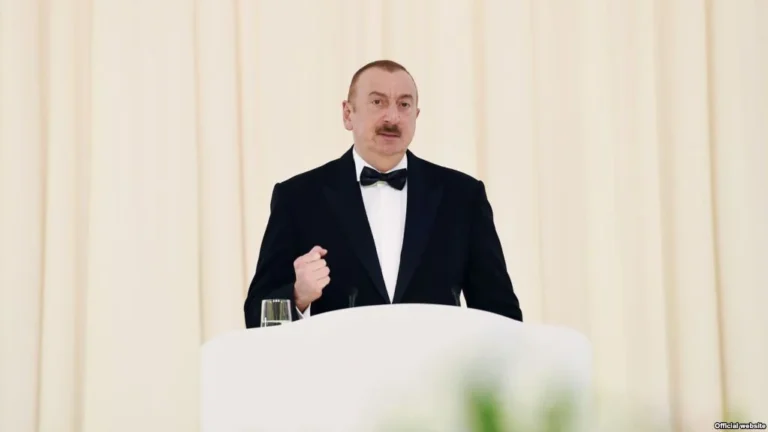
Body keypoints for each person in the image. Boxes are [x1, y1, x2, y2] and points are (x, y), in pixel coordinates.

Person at [243, 59, 523, 328]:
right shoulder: (298, 198)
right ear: (348, 114)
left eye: (404, 104)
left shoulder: (462, 197)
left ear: (416, 115)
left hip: (438, 363)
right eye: (378, 102)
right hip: (339, 362)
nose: (392, 117)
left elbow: (502, 314)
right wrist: (296, 296)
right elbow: (256, 314)